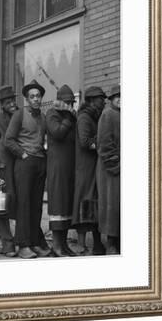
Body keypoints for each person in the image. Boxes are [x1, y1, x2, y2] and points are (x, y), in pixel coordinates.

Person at [5, 79, 51, 259]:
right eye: (32, 96)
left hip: (40, 162)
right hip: (24, 163)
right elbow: (8, 140)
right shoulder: (19, 115)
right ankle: (23, 245)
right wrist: (22, 154)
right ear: (27, 99)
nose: (36, 99)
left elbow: (46, 139)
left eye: (38, 96)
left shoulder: (44, 117)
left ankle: (34, 242)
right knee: (24, 204)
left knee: (36, 206)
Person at [71, 86, 108, 255]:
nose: (104, 101)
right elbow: (85, 141)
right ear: (93, 100)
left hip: (94, 165)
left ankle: (96, 243)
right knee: (86, 202)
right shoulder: (85, 117)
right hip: (86, 167)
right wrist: (103, 143)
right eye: (101, 98)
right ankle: (82, 244)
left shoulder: (96, 115)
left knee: (94, 202)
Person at [45, 84, 77, 257]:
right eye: (67, 102)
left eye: (71, 102)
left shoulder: (71, 115)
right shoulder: (52, 114)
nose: (70, 105)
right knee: (58, 204)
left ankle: (63, 245)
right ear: (59, 102)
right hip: (57, 166)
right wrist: (68, 118)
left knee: (66, 205)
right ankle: (56, 246)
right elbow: (57, 133)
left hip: (69, 165)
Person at [0, 85, 18, 257]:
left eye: (13, 100)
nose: (11, 104)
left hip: (20, 167)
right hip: (3, 168)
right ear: (2, 104)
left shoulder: (22, 116)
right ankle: (7, 244)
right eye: (7, 102)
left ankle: (22, 241)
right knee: (3, 206)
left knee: (20, 204)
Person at [97, 84, 121, 254]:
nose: (121, 99)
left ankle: (118, 242)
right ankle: (110, 244)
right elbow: (105, 145)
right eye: (117, 96)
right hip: (110, 169)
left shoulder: (121, 114)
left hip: (120, 167)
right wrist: (116, 166)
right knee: (111, 205)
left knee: (119, 205)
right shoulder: (108, 114)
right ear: (112, 99)